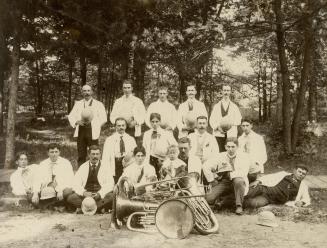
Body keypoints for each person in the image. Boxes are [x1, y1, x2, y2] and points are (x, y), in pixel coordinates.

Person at [203, 138, 251, 215]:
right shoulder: (220, 156)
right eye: (228, 147)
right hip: (224, 181)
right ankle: (223, 200)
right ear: (225, 147)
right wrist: (211, 180)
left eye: (233, 147)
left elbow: (244, 172)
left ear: (237, 147)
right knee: (209, 198)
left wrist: (229, 174)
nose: (230, 149)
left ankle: (239, 205)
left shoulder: (244, 156)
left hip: (237, 180)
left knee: (239, 181)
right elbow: (205, 166)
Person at [67, 145, 114, 213]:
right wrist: (84, 193)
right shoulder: (83, 167)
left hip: (100, 195)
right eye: (93, 154)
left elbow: (110, 184)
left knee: (111, 196)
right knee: (71, 198)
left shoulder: (106, 166)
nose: (95, 156)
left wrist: (99, 194)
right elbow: (75, 184)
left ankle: (85, 208)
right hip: (86, 195)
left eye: (97, 154)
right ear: (89, 155)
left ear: (100, 155)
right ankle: (98, 208)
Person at [68, 84, 107, 166]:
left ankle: (95, 172)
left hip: (92, 131)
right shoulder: (78, 104)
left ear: (92, 92)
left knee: (94, 153)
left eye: (88, 90)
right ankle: (81, 173)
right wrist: (76, 122)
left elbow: (104, 118)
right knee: (81, 154)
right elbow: (71, 116)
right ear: (82, 92)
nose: (87, 93)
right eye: (84, 91)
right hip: (81, 131)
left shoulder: (98, 104)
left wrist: (95, 125)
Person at [244, 165, 311, 208]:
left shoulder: (303, 186)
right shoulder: (284, 174)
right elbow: (269, 177)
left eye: (303, 174)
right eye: (300, 172)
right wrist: (258, 181)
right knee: (252, 190)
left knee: (254, 203)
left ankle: (236, 203)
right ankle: (238, 198)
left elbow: (307, 199)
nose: (301, 174)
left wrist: (302, 202)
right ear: (294, 171)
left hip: (269, 199)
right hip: (265, 189)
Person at [102, 118, 137, 184]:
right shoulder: (109, 140)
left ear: (126, 126)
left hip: (127, 164)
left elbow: (135, 154)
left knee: (127, 183)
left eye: (123, 125)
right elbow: (105, 158)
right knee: (116, 184)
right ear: (115, 126)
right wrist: (106, 172)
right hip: (115, 164)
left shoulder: (131, 139)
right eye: (119, 125)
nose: (121, 127)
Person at [143, 113, 177, 179]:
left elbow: (174, 145)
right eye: (152, 122)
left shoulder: (166, 133)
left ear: (160, 122)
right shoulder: (147, 134)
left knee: (162, 179)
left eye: (156, 121)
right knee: (152, 178)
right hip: (150, 160)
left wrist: (169, 157)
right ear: (150, 122)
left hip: (162, 160)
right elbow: (145, 147)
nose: (154, 124)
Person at [209, 85, 242, 152]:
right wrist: (218, 127)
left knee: (230, 152)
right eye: (224, 90)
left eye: (228, 90)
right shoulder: (216, 106)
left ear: (230, 92)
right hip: (218, 133)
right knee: (218, 152)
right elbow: (211, 120)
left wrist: (228, 124)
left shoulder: (234, 107)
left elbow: (239, 120)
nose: (226, 92)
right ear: (222, 92)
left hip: (231, 133)